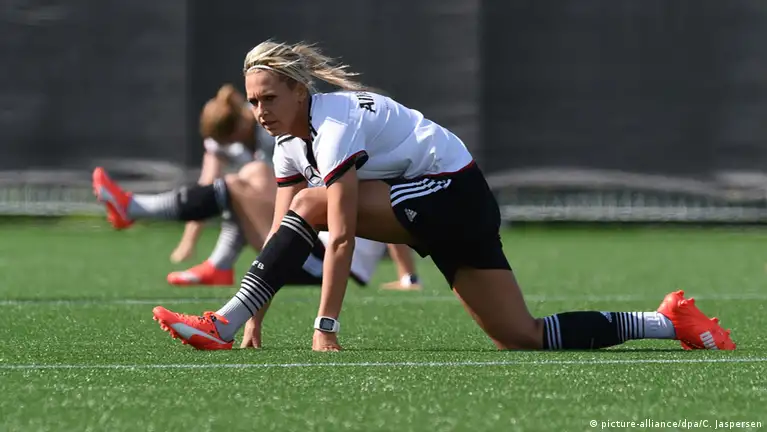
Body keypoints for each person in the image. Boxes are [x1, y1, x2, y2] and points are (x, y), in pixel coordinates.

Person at [150, 40, 735, 352]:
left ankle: (219, 324)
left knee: (312, 204)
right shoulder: (287, 144)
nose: (259, 111)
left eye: (269, 98)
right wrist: (258, 317)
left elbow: (342, 235)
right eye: (253, 101)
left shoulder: (333, 125)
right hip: (445, 205)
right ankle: (668, 322)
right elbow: (280, 240)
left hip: (455, 193)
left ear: (300, 91)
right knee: (521, 336)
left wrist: (324, 325)